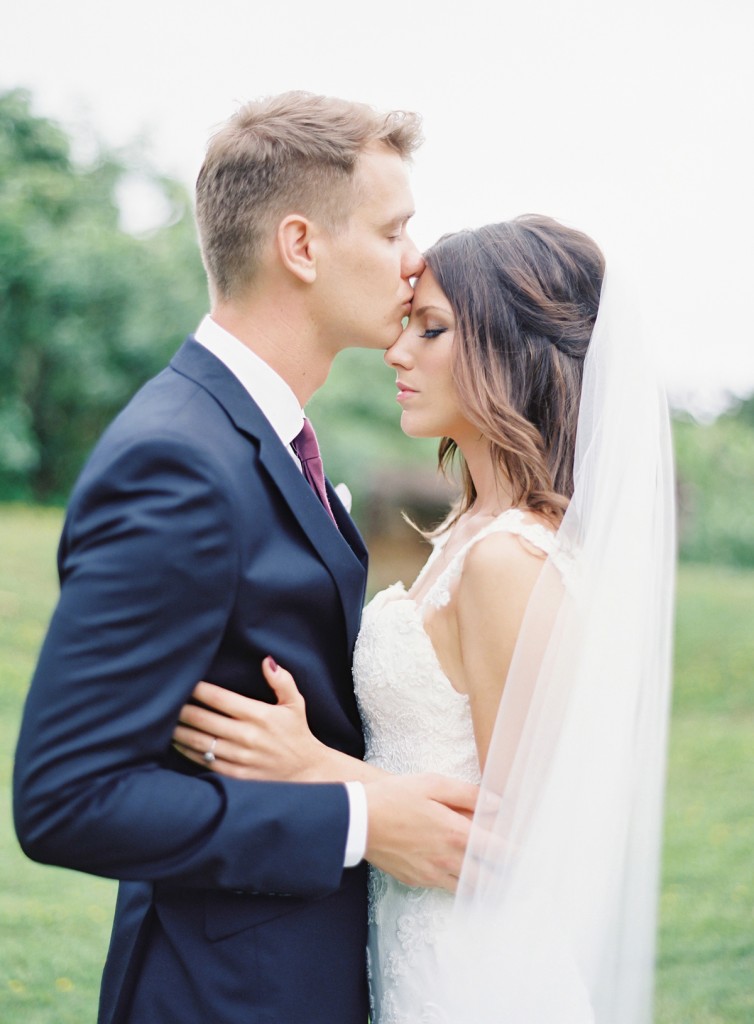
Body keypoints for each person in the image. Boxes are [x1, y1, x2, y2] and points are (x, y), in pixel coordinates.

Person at [12, 92, 479, 1024]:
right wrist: (358, 822)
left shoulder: (263, 436)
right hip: (220, 996)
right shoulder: (176, 463)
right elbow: (66, 798)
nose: (415, 260)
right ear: (301, 247)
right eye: (393, 230)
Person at [173, 216, 676, 1023]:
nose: (398, 351)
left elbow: (522, 852)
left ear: (514, 352)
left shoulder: (509, 562)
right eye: (408, 324)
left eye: (432, 329)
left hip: (479, 980)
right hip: (414, 957)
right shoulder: (471, 531)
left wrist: (311, 765)